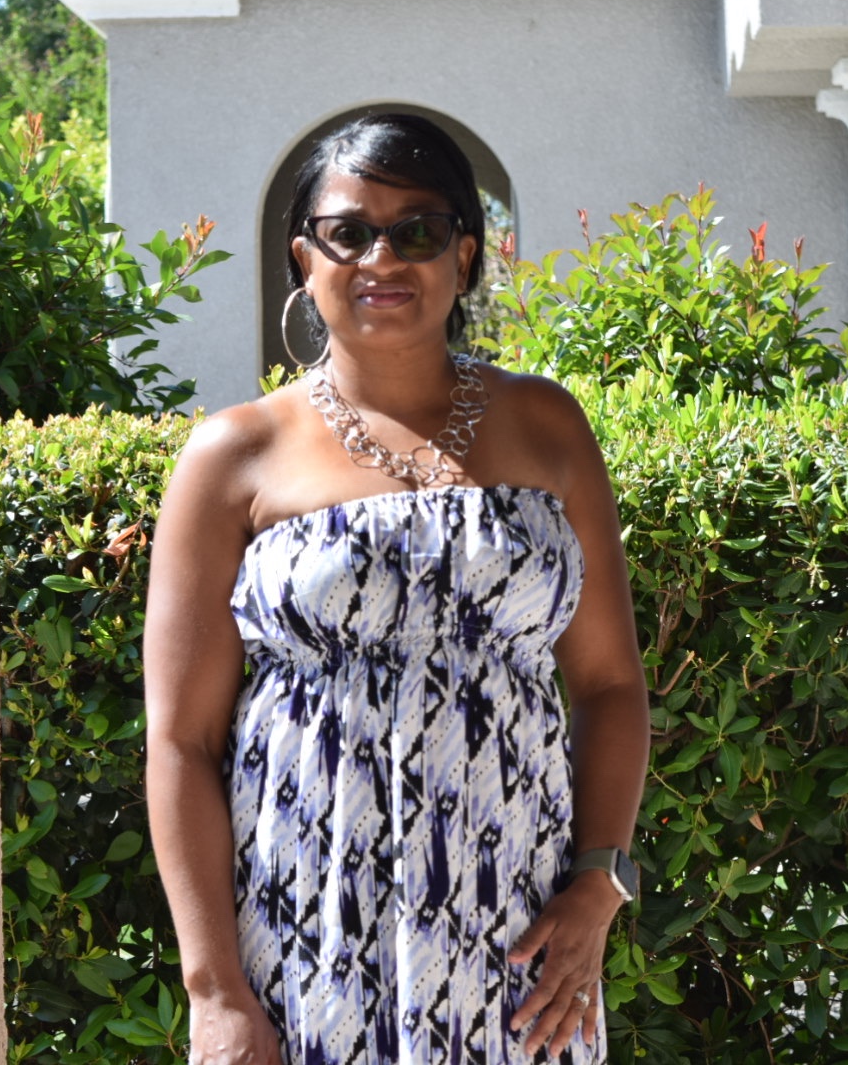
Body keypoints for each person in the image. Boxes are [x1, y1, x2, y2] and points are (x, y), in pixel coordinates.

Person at [144, 113, 650, 1065]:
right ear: (305, 259)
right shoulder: (234, 454)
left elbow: (611, 686)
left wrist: (599, 883)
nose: (383, 257)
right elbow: (181, 742)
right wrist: (214, 992)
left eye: (417, 230)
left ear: (464, 255)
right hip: (308, 935)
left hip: (520, 937)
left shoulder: (546, 426)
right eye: (349, 232)